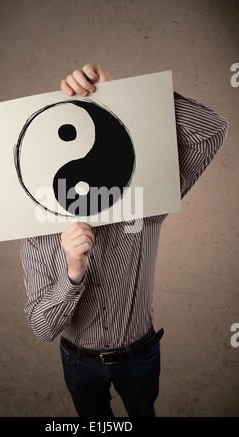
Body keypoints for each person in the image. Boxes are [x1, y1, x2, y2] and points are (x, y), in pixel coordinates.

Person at [20, 62, 228, 417]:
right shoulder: (35, 232)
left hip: (140, 356)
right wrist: (72, 272)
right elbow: (42, 327)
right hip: (78, 361)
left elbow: (210, 131)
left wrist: (126, 100)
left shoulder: (143, 203)